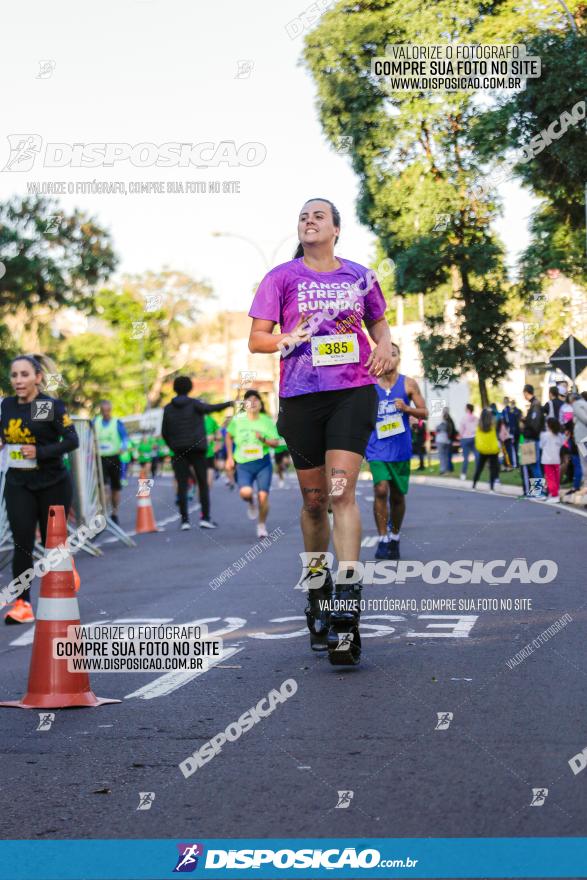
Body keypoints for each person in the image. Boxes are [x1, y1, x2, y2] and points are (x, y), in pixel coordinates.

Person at [247, 197, 393, 665]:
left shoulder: (359, 275)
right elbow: (257, 338)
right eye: (303, 217)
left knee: (341, 492)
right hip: (301, 396)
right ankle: (317, 595)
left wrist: (386, 349)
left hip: (351, 391)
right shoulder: (281, 278)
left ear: (335, 229)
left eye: (318, 216)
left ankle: (347, 611)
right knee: (314, 502)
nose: (309, 221)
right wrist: (285, 338)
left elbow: (380, 327)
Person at [0, 355, 79, 624]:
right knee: (22, 542)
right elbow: (6, 434)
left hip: (51, 482)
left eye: (24, 375)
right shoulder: (7, 405)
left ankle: (64, 579)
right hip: (18, 482)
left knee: (51, 543)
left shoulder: (44, 406)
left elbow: (71, 440)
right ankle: (22, 604)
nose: (18, 381)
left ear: (37, 377)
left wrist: (40, 451)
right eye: (14, 375)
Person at [365, 344, 428, 561]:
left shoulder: (408, 383)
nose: (389, 357)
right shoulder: (370, 385)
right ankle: (382, 538)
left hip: (400, 448)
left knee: (398, 496)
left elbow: (425, 412)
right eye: (385, 354)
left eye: (394, 353)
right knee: (381, 489)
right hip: (376, 447)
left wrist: (408, 409)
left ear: (399, 358)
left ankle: (395, 535)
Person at [161, 377, 233, 530]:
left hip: (178, 451)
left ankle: (185, 521)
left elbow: (165, 432)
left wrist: (173, 446)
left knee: (182, 485)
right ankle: (205, 518)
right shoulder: (194, 404)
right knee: (202, 484)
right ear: (190, 387)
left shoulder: (168, 408)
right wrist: (230, 403)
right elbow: (212, 408)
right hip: (197, 450)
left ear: (174, 388)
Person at [225, 390, 281, 539]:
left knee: (263, 496)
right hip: (243, 464)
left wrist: (263, 439)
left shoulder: (266, 421)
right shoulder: (237, 420)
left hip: (262, 463)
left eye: (256, 399)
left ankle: (261, 525)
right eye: (249, 400)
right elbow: (228, 437)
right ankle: (250, 502)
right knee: (246, 493)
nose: (253, 402)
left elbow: (276, 443)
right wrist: (229, 457)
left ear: (261, 403)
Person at [94, 400, 129, 525]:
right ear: (100, 411)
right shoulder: (95, 422)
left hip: (114, 458)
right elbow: (88, 436)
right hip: (100, 459)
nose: (106, 413)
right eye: (103, 411)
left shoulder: (117, 422)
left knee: (115, 488)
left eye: (108, 410)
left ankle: (114, 513)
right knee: (102, 487)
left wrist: (123, 446)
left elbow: (125, 437)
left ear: (111, 410)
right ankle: (102, 513)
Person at [520, 384, 545, 495]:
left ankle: (538, 491)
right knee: (534, 465)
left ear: (526, 392)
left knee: (534, 465)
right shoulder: (534, 405)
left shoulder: (535, 405)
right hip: (532, 438)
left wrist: (526, 425)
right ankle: (537, 491)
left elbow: (535, 425)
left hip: (532, 439)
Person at [472, 408, 500, 491]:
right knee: (493, 468)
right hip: (492, 449)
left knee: (479, 467)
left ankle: (474, 484)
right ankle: (491, 487)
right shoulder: (493, 425)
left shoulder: (479, 426)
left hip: (483, 449)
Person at [540, 417, 564, 503]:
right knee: (556, 478)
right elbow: (561, 444)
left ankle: (554, 495)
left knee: (550, 479)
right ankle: (555, 493)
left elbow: (541, 446)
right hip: (556, 459)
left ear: (548, 425)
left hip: (547, 459)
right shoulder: (560, 435)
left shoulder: (544, 435)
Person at [572, 391, 587, 495]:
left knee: (584, 463)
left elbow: (584, 419)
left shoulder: (577, 405)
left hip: (582, 439)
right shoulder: (584, 404)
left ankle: (585, 487)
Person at [459, 403, 478, 480]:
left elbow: (461, 430)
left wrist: (461, 436)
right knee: (477, 456)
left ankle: (463, 474)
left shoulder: (464, 418)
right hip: (474, 438)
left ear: (468, 409)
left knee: (466, 458)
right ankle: (477, 473)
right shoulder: (476, 418)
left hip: (465, 438)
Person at [502, 397, 521, 467]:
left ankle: (515, 463)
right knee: (511, 449)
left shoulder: (510, 410)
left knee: (514, 449)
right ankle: (512, 463)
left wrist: (512, 432)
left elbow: (512, 422)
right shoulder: (504, 411)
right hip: (509, 432)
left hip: (512, 432)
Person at [435, 408, 452, 474]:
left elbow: (436, 429)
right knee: (446, 456)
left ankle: (443, 470)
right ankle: (447, 469)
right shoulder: (449, 423)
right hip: (446, 440)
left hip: (440, 440)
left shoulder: (441, 423)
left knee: (441, 455)